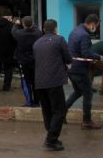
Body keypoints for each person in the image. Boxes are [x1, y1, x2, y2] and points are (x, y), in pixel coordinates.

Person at [33, 19, 72, 151]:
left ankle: (51, 135)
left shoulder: (37, 43)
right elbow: (68, 58)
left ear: (44, 29)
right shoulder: (59, 39)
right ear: (55, 29)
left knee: (47, 110)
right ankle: (51, 140)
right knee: (59, 110)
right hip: (54, 81)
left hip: (39, 82)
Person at [65, 14, 103, 129]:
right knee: (88, 93)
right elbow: (86, 53)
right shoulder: (84, 35)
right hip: (80, 70)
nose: (96, 28)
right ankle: (86, 121)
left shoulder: (75, 31)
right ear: (92, 24)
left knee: (78, 91)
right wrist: (98, 57)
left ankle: (61, 113)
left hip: (71, 68)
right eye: (96, 25)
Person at [12, 16, 42, 106]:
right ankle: (37, 101)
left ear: (23, 24)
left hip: (23, 61)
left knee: (25, 81)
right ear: (32, 24)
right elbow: (35, 28)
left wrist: (17, 23)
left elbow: (13, 30)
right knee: (36, 82)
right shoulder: (38, 33)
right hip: (35, 61)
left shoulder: (19, 34)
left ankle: (29, 102)